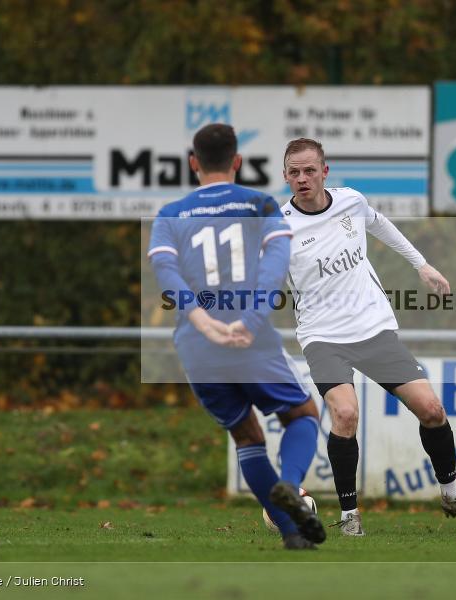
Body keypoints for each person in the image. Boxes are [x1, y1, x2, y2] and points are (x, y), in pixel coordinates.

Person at [275, 137, 456, 536]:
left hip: (373, 328)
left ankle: (451, 495)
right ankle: (349, 518)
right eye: (294, 172)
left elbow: (381, 226)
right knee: (345, 414)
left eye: (310, 170)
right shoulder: (278, 227)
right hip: (322, 336)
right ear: (285, 176)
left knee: (432, 410)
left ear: (325, 171)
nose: (302, 178)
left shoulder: (351, 202)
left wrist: (422, 266)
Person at [148, 124, 325, 550]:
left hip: (197, 344)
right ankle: (290, 485)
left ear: (193, 164)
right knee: (303, 415)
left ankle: (291, 534)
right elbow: (275, 264)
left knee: (246, 436)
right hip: (252, 337)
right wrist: (251, 318)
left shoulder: (170, 214)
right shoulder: (259, 203)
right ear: (237, 162)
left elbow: (165, 272)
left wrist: (202, 321)